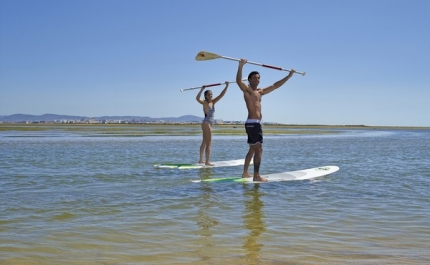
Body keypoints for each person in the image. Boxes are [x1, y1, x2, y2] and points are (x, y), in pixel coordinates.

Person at [236, 59, 296, 181]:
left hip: (254, 124)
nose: (257, 80)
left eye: (259, 78)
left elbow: (275, 86)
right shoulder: (248, 91)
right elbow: (238, 81)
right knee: (259, 149)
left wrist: (288, 76)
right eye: (255, 78)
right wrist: (241, 66)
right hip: (253, 124)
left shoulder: (260, 92)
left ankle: (245, 173)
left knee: (252, 149)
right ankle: (256, 176)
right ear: (249, 79)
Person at [196, 82, 229, 165]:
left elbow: (221, 95)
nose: (211, 96)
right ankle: (207, 162)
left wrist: (226, 86)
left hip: (208, 124)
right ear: (206, 96)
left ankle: (201, 160)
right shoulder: (205, 103)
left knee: (204, 142)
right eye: (209, 95)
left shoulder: (213, 102)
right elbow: (197, 98)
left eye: (211, 95)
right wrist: (202, 89)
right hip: (206, 123)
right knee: (209, 143)